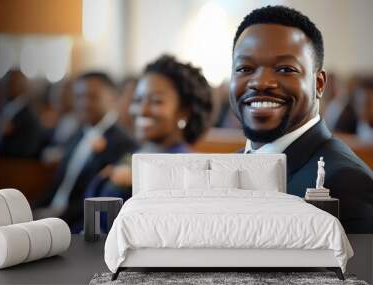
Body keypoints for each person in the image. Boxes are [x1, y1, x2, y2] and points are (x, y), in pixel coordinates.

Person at [229, 6, 373, 233]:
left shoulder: (346, 182)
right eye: (245, 68)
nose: (261, 82)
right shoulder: (230, 165)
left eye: (285, 69)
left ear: (319, 83)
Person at [85, 55, 213, 202]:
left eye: (156, 101)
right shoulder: (138, 152)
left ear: (184, 111)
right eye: (138, 100)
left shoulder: (188, 169)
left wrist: (137, 183)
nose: (142, 111)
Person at [34, 72, 137, 232]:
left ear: (112, 98)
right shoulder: (78, 134)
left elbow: (99, 200)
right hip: (51, 215)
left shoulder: (123, 143)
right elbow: (58, 185)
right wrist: (33, 211)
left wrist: (53, 219)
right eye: (79, 97)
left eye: (91, 97)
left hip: (77, 226)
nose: (83, 103)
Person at [0, 70, 43, 158]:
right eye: (6, 83)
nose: (6, 87)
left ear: (22, 86)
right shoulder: (7, 109)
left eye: (11, 83)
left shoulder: (29, 116)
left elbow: (28, 150)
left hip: (15, 166)